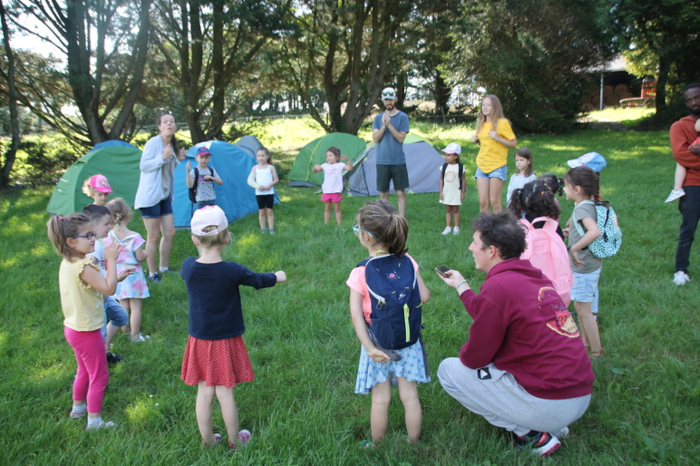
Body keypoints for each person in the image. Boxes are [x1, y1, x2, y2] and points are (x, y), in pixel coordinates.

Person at [436, 212, 594, 457]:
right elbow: (491, 310)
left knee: (449, 370)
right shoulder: (536, 278)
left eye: (475, 243)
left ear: (492, 251)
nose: (470, 248)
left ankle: (532, 435)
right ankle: (552, 426)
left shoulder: (498, 287)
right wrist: (461, 285)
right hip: (579, 395)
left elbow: (474, 358)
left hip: (550, 402)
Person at [180, 205, 286, 449]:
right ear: (227, 236)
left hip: (199, 340)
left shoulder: (188, 267)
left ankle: (208, 442)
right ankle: (234, 440)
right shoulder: (232, 271)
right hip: (225, 340)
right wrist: (277, 276)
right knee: (225, 392)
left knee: (204, 392)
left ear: (194, 238)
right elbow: (257, 280)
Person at [346, 200, 430, 448]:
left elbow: (355, 315)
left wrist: (370, 347)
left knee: (380, 399)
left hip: (378, 343)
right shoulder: (408, 261)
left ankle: (376, 444)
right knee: (410, 396)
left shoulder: (360, 272)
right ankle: (413, 442)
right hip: (409, 340)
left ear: (366, 237)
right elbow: (424, 295)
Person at [47, 213, 132, 430]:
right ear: (71, 242)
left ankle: (78, 409)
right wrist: (111, 260)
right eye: (88, 236)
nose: (94, 239)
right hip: (88, 330)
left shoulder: (69, 262)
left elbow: (101, 285)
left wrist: (116, 276)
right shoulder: (83, 266)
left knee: (84, 371)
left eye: (94, 234)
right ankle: (94, 421)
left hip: (73, 328)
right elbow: (109, 289)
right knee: (100, 375)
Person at [134, 113, 187, 283]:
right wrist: (162, 158)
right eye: (165, 122)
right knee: (153, 236)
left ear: (175, 126)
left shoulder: (171, 144)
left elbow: (168, 169)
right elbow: (144, 165)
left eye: (172, 121)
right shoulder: (153, 143)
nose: (169, 124)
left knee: (170, 232)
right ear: (159, 127)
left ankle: (164, 267)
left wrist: (177, 159)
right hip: (150, 196)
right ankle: (152, 273)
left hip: (164, 195)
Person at [562, 167, 603, 357]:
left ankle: (597, 352)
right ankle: (586, 346)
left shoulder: (583, 208)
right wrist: (573, 235)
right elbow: (586, 231)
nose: (563, 190)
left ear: (577, 189)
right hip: (587, 266)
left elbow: (594, 232)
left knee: (585, 311)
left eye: (566, 186)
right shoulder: (587, 205)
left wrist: (576, 248)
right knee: (580, 307)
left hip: (584, 268)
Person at [83, 204, 129, 364]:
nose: (110, 227)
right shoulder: (93, 249)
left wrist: (117, 277)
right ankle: (97, 362)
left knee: (121, 317)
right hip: (98, 298)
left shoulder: (98, 243)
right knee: (99, 334)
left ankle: (102, 350)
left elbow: (100, 272)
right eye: (106, 224)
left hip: (105, 294)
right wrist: (112, 259)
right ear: (92, 225)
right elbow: (89, 271)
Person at [105, 198, 150, 343]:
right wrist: (146, 253)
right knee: (136, 306)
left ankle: (125, 331)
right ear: (127, 215)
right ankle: (135, 335)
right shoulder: (134, 236)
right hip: (133, 274)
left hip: (118, 273)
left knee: (123, 303)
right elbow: (139, 256)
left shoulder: (109, 236)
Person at [670, 83, 700, 285]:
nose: (694, 103)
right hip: (692, 185)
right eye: (689, 100)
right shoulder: (679, 126)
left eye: (697, 98)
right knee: (688, 229)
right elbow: (681, 155)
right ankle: (681, 270)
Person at [471, 95, 517, 213]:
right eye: (483, 105)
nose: (485, 107)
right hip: (482, 165)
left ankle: (500, 229)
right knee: (483, 203)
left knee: (494, 202)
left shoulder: (502, 123)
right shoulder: (481, 123)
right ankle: (487, 229)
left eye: (489, 105)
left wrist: (498, 138)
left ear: (495, 107)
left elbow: (513, 143)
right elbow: (487, 145)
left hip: (497, 166)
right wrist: (477, 141)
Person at [372, 87, 410, 218]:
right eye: (386, 100)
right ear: (382, 101)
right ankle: (385, 218)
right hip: (382, 160)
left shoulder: (403, 117)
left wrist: (389, 125)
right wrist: (383, 126)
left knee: (400, 192)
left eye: (391, 99)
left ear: (396, 99)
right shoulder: (378, 118)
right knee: (383, 193)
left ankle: (402, 219)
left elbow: (401, 138)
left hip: (398, 160)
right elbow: (376, 139)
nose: (389, 102)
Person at [312, 146, 353, 225]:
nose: (328, 158)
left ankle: (339, 224)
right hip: (326, 191)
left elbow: (350, 168)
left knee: (337, 209)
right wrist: (315, 167)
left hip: (336, 191)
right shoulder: (325, 165)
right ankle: (326, 224)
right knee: (327, 209)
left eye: (330, 155)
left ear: (337, 157)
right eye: (327, 156)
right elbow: (315, 171)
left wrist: (348, 160)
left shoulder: (340, 165)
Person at [666, 118, 700, 203]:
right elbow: (697, 127)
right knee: (681, 161)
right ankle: (677, 189)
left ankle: (677, 190)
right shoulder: (681, 124)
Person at [247, 147, 279, 234]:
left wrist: (270, 185)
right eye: (259, 156)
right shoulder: (255, 168)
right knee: (261, 211)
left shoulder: (271, 167)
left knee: (269, 210)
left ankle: (271, 229)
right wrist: (258, 186)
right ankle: (263, 229)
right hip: (259, 193)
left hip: (269, 192)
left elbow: (276, 179)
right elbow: (250, 180)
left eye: (263, 156)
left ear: (267, 156)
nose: (261, 158)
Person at [439, 142, 466, 235]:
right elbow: (441, 179)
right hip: (447, 191)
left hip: (456, 192)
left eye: (448, 155)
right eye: (445, 155)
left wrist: (463, 192)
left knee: (455, 210)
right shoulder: (444, 166)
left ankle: (456, 227)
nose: (446, 157)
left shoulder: (460, 167)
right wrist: (441, 192)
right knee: (448, 209)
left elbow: (463, 180)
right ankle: (448, 227)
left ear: (456, 156)